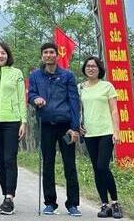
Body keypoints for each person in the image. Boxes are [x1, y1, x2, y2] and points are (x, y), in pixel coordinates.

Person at [28, 42, 81, 216]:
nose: (49, 55)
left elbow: (74, 101)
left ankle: (72, 204)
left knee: (69, 165)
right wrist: (35, 99)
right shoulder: (35, 75)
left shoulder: (67, 75)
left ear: (57, 55)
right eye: (46, 52)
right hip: (46, 125)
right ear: (42, 56)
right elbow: (31, 94)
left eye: (52, 52)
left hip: (66, 127)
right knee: (48, 165)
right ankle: (50, 202)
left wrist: (75, 128)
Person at [0, 42, 27, 215]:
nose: (0, 56)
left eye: (3, 53)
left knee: (10, 159)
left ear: (8, 55)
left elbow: (21, 97)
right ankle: (5, 196)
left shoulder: (16, 73)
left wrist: (23, 121)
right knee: (0, 161)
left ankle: (10, 197)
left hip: (12, 121)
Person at [79, 56, 123, 219]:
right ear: (84, 69)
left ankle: (116, 203)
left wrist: (116, 131)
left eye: (94, 66)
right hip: (89, 133)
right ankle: (104, 205)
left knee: (103, 166)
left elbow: (114, 110)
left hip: (106, 131)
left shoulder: (107, 86)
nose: (91, 68)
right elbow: (78, 110)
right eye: (88, 66)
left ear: (99, 69)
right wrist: (79, 125)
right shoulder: (80, 88)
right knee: (96, 169)